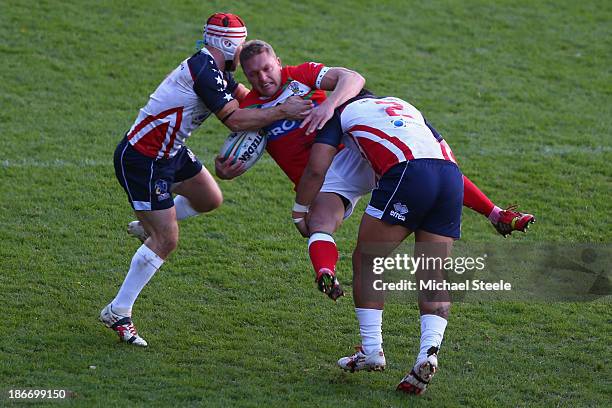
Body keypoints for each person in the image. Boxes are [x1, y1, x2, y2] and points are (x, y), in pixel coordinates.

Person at [214, 40, 534, 302]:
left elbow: (353, 79)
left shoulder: (300, 75)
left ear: (278, 62)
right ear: (245, 74)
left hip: (350, 148)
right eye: (253, 74)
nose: (263, 78)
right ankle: (326, 272)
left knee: (422, 163)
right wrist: (228, 170)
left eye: (267, 68)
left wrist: (329, 104)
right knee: (320, 222)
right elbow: (240, 139)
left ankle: (496, 214)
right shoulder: (250, 111)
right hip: (330, 177)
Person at [99, 13, 313, 347]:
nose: (241, 52)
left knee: (209, 197)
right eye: (240, 44)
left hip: (170, 153)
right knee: (167, 240)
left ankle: (148, 226)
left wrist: (290, 96)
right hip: (144, 160)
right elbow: (237, 119)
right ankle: (119, 310)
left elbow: (249, 99)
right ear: (228, 44)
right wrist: (284, 111)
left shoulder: (216, 70)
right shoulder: (204, 71)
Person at [292, 90, 485, 394]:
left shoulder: (341, 111)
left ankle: (371, 350)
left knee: (367, 260)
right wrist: (493, 211)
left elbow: (317, 167)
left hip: (408, 173)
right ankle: (428, 353)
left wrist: (300, 210)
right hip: (450, 177)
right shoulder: (405, 105)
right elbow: (439, 150)